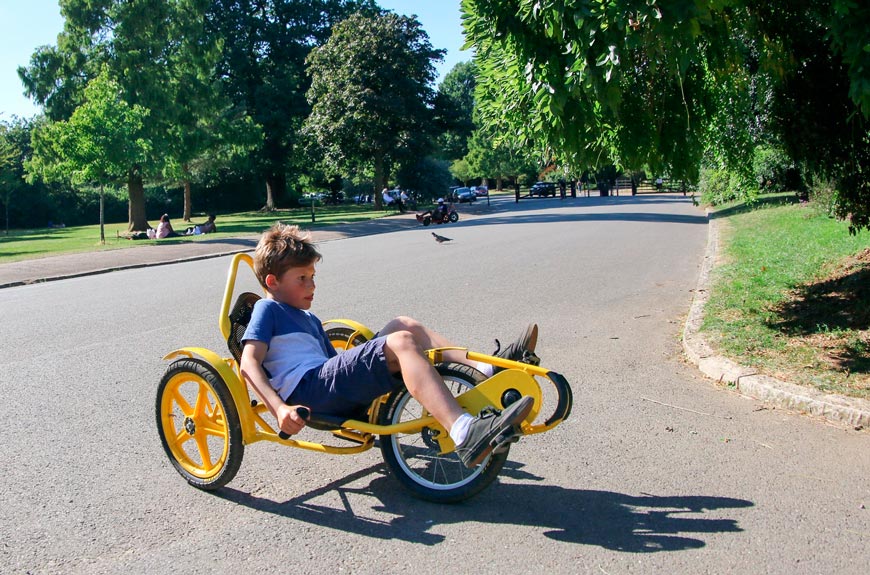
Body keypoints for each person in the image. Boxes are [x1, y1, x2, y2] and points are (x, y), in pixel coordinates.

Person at [239, 223, 538, 468]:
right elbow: (249, 363)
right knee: (401, 342)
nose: (312, 286)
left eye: (313, 277)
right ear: (272, 282)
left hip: (326, 382)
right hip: (308, 392)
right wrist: (278, 409)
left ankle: (486, 367)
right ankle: (464, 432)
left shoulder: (309, 319)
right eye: (302, 278)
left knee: (403, 325)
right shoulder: (268, 310)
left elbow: (334, 365)